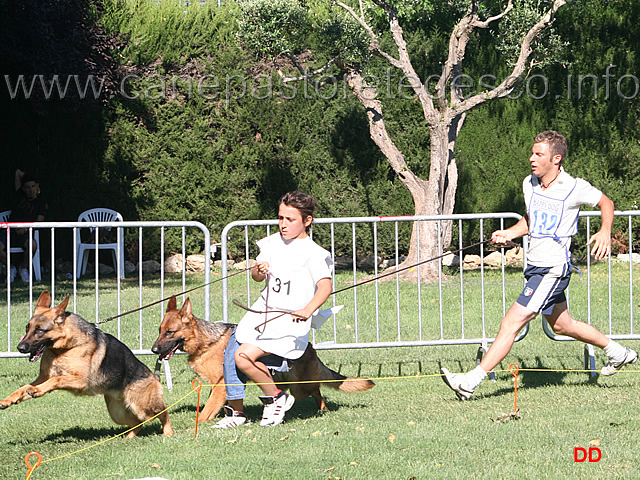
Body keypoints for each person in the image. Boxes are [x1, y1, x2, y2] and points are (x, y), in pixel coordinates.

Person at [441, 130, 637, 400]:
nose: (531, 158)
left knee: (511, 322)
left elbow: (607, 202)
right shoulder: (529, 183)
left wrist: (605, 231)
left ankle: (470, 382)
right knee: (562, 325)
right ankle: (618, 353)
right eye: (532, 153)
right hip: (534, 266)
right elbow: (532, 220)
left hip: (553, 269)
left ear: (555, 159)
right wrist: (510, 233)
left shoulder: (573, 186)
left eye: (538, 154)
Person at [213, 191, 333, 428]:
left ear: (307, 221)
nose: (283, 224)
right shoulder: (271, 243)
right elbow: (257, 277)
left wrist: (308, 309)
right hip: (261, 315)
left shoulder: (315, 254)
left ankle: (276, 399)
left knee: (243, 356)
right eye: (280, 218)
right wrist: (259, 270)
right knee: (232, 354)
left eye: (290, 219)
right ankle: (236, 414)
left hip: (289, 323)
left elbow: (325, 287)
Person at [0, 170, 48, 283]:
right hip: (9, 231)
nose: (30, 190)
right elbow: (17, 173)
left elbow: (39, 222)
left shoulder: (41, 202)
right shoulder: (20, 195)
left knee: (33, 245)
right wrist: (29, 177)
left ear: (37, 186)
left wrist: (25, 228)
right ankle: (10, 268)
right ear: (23, 188)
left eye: (33, 186)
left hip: (25, 232)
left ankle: (24, 268)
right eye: (27, 187)